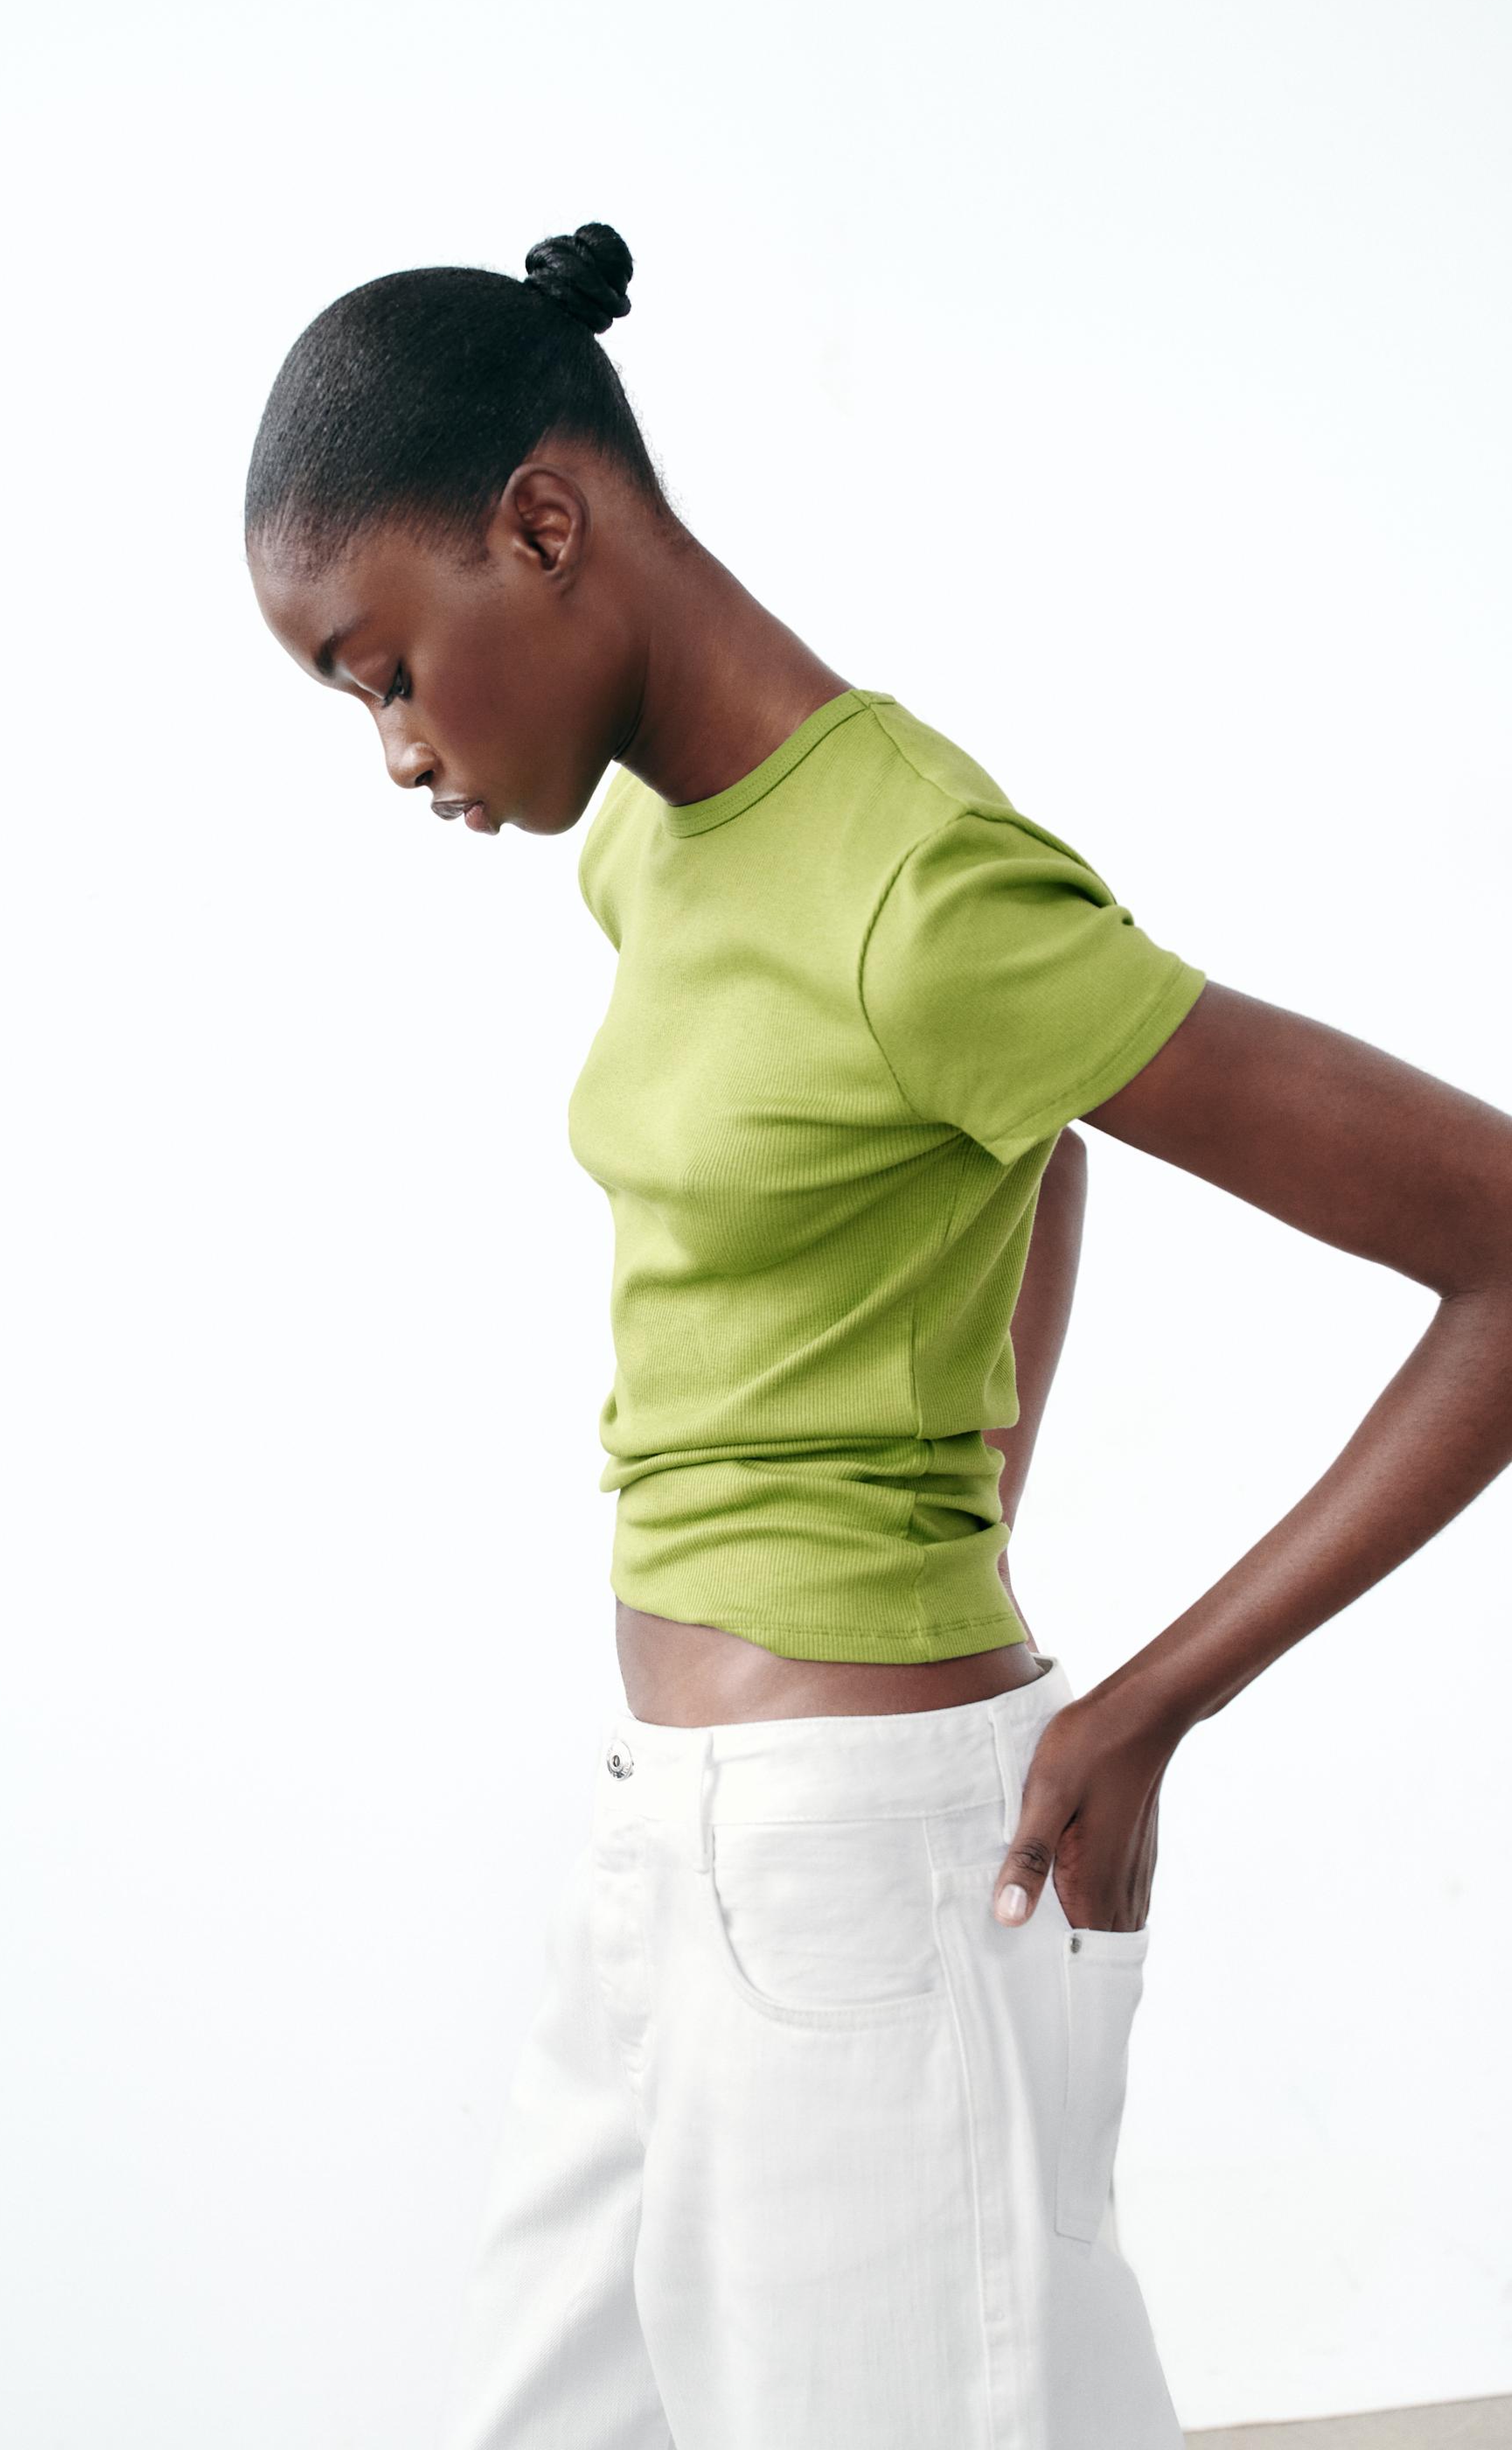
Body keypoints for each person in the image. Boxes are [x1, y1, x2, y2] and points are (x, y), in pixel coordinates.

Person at [242, 223, 1512, 2450]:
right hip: (665, 1848)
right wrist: (966, 1486)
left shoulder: (923, 886)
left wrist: (1148, 1707)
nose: (397, 751)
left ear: (541, 524)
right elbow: (1032, 1142)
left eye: (385, 671)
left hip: (857, 1886)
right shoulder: (653, 848)